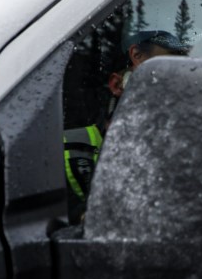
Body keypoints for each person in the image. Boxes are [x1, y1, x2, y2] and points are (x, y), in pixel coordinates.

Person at [64, 29, 190, 222]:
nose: (171, 88)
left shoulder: (185, 157)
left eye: (179, 78)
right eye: (162, 74)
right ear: (117, 85)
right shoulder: (68, 152)